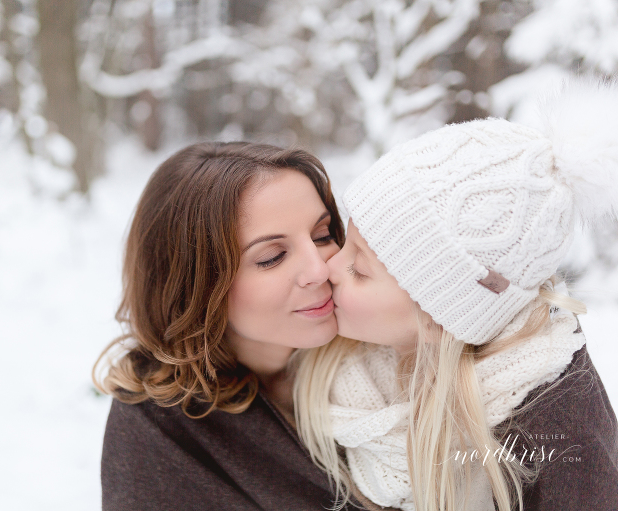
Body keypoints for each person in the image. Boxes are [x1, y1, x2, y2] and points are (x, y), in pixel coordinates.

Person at [294, 77, 618, 511]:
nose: (328, 266)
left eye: (359, 268)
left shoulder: (555, 430)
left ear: (436, 315)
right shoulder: (350, 367)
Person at [93, 141, 353, 510]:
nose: (319, 268)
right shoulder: (160, 429)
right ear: (194, 286)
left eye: (322, 235)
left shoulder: (390, 348)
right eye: (272, 257)